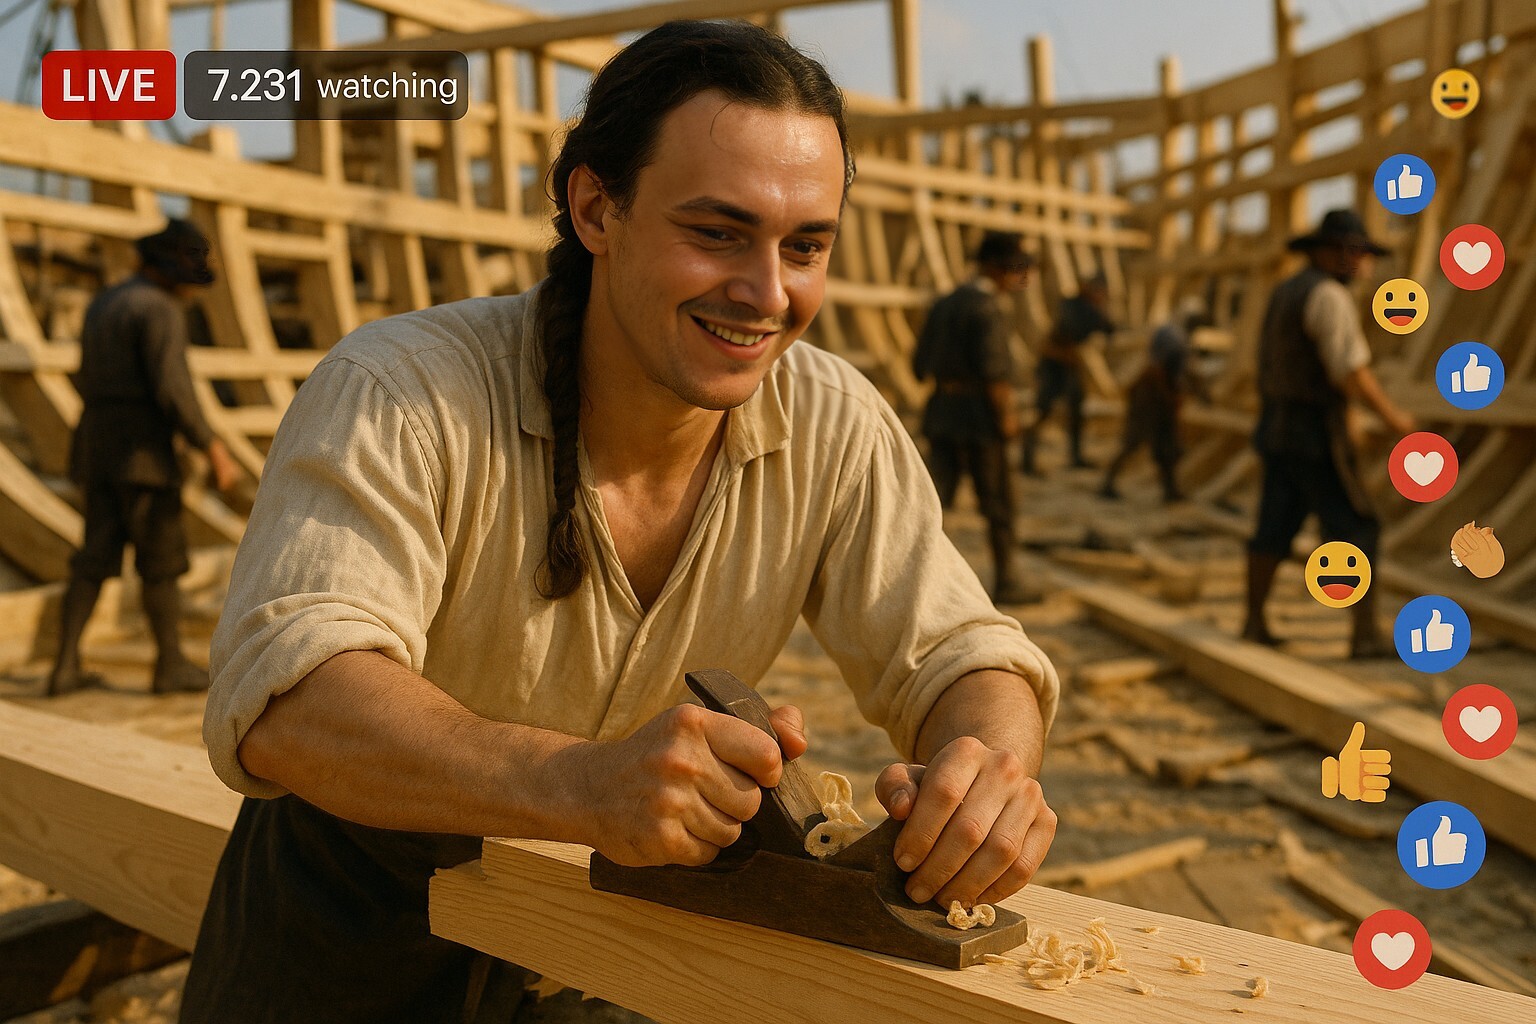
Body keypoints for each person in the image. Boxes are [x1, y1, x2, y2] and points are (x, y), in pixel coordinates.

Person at [183, 21, 1060, 1023]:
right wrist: (583, 783)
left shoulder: (834, 422)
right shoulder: (401, 392)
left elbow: (961, 652)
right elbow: (293, 700)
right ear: (597, 208)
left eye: (805, 247)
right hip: (342, 938)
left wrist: (984, 772)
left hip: (608, 955)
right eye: (717, 233)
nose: (767, 293)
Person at [46, 219, 239, 697]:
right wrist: (212, 447)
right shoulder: (159, 310)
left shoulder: (105, 301)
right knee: (161, 563)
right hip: (143, 456)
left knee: (92, 560)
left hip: (96, 447)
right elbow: (173, 389)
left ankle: (64, 666)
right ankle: (169, 664)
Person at [1241, 209, 1415, 657]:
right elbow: (1350, 371)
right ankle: (1365, 635)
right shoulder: (1329, 296)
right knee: (1358, 526)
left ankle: (1253, 622)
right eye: (1352, 253)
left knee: (1274, 526)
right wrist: (1394, 420)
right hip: (1315, 433)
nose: (1360, 263)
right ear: (1328, 253)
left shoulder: (1286, 291)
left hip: (1277, 425)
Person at [912, 231, 1035, 604]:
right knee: (999, 505)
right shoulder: (989, 308)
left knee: (931, 506)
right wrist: (1007, 418)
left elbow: (919, 365)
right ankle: (1007, 582)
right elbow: (995, 374)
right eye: (1014, 269)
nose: (1018, 277)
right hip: (980, 419)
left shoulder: (944, 303)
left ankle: (915, 588)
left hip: (942, 414)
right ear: (996, 268)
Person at [1099, 300, 1209, 503]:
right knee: (1133, 441)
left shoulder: (1177, 337)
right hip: (1149, 397)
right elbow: (1156, 370)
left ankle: (1170, 490)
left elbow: (1185, 373)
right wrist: (1171, 395)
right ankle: (1107, 483)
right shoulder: (1174, 338)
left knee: (1167, 445)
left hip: (1159, 398)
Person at [1021, 272, 1114, 474]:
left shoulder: (1092, 308)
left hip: (1070, 366)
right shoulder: (1071, 305)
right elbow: (1074, 329)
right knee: (1043, 410)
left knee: (1076, 410)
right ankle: (1027, 459)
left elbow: (1109, 329)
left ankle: (1076, 456)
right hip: (1053, 365)